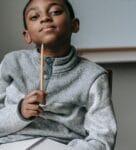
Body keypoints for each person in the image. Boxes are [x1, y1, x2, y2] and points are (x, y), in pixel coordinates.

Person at [0, 0, 117, 149]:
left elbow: (102, 139)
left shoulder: (93, 76)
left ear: (75, 25)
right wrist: (19, 112)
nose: (45, 18)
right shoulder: (12, 63)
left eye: (55, 12)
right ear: (27, 35)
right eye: (35, 17)